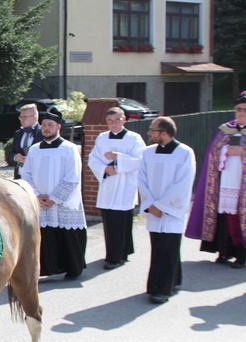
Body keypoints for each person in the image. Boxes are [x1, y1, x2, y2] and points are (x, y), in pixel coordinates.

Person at [22, 108, 87, 280]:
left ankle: (72, 268)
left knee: (67, 236)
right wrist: (36, 195)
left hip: (64, 202)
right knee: (45, 237)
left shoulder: (69, 149)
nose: (46, 128)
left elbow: (73, 177)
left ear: (58, 127)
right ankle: (47, 269)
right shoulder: (34, 149)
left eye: (50, 125)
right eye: (44, 125)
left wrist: (55, 199)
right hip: (41, 201)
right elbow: (26, 174)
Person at [137, 117, 196, 304]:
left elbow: (183, 183)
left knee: (168, 247)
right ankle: (174, 279)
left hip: (171, 209)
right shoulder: (147, 153)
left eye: (152, 130)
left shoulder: (185, 153)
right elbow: (142, 179)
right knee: (158, 246)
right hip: (153, 207)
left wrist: (161, 205)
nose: (149, 133)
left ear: (164, 133)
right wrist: (151, 204)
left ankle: (161, 289)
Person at [185, 91, 246, 268]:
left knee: (238, 218)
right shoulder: (225, 129)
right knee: (224, 217)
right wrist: (224, 151)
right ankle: (224, 251)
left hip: (242, 185)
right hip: (224, 181)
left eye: (245, 110)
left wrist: (242, 153)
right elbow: (212, 152)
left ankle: (241, 255)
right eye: (239, 109)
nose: (242, 112)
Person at [87, 106, 146, 270]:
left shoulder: (134, 139)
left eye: (117, 120)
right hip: (108, 185)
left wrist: (118, 159)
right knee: (110, 220)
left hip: (125, 184)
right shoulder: (102, 138)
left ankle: (119, 255)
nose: (114, 124)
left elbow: (140, 159)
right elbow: (93, 159)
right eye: (110, 121)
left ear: (124, 119)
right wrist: (105, 169)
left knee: (123, 219)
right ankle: (114, 254)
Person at [9, 103, 43, 179]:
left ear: (34, 117)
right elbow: (11, 153)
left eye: (24, 117)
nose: (22, 120)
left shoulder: (43, 133)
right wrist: (15, 157)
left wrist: (31, 160)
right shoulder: (18, 133)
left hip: (37, 176)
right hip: (20, 175)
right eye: (21, 117)